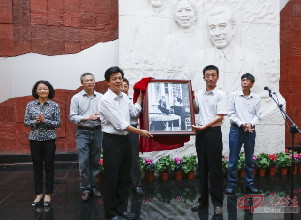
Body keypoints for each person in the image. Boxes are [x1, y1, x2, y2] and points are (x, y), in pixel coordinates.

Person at [99, 66, 152, 220]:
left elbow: (134, 112)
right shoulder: (105, 100)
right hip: (112, 141)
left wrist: (141, 94)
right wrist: (140, 132)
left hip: (126, 140)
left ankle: (122, 209)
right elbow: (120, 124)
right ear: (108, 82)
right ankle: (111, 213)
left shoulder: (124, 97)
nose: (118, 81)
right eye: (114, 78)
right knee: (111, 177)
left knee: (124, 177)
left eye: (120, 78)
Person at [190, 4, 264, 95]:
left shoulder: (252, 61)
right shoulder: (196, 59)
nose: (217, 33)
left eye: (222, 26)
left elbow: (264, 96)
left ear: (233, 27)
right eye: (212, 28)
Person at [191, 65, 227, 215]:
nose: (210, 78)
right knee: (202, 167)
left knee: (215, 169)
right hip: (201, 134)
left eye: (213, 75)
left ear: (217, 77)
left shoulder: (221, 94)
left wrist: (205, 125)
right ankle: (202, 201)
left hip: (213, 133)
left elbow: (220, 116)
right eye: (208, 75)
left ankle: (218, 204)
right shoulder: (199, 94)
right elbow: (197, 110)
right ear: (204, 77)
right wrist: (191, 98)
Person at [24, 80, 60, 207]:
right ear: (36, 91)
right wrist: (36, 121)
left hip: (49, 139)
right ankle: (38, 193)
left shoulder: (54, 105)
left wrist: (45, 121)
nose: (43, 91)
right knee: (37, 168)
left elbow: (57, 123)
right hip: (34, 139)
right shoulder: (30, 105)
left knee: (49, 167)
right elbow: (26, 122)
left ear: (49, 90)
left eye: (45, 88)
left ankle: (48, 193)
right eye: (40, 88)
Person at [225, 73, 261, 194]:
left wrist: (250, 124)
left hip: (250, 131)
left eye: (247, 80)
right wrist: (242, 124)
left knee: (249, 159)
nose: (244, 82)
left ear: (252, 83)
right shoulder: (233, 96)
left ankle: (249, 184)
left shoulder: (256, 98)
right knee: (233, 159)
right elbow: (230, 113)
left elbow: (258, 115)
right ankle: (231, 184)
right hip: (236, 130)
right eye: (243, 80)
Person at [70, 73, 102, 201]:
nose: (89, 82)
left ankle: (94, 187)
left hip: (97, 131)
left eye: (91, 80)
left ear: (95, 82)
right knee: (83, 162)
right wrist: (87, 117)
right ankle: (85, 189)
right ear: (82, 83)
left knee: (95, 161)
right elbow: (72, 116)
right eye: (86, 80)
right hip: (83, 132)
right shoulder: (76, 98)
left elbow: (107, 113)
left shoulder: (101, 97)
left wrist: (100, 116)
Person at [121, 78, 144, 196]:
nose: (123, 88)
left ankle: (137, 185)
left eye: (126, 86)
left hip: (133, 130)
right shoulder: (115, 100)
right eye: (121, 86)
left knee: (134, 158)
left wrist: (140, 96)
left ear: (128, 87)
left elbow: (135, 113)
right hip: (119, 132)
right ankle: (122, 185)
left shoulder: (132, 99)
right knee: (121, 158)